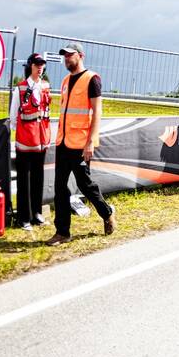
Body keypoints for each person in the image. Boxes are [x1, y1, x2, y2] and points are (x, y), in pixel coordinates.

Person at [47, 43, 115, 246]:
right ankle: (62, 232)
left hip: (81, 143)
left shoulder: (92, 79)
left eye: (70, 55)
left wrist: (90, 142)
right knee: (60, 188)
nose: (67, 58)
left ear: (80, 56)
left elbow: (97, 112)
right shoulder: (65, 80)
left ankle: (107, 213)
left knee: (85, 185)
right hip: (63, 142)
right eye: (65, 56)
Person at [13, 53, 51, 229]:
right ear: (30, 66)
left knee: (38, 177)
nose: (40, 67)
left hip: (41, 140)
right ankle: (24, 218)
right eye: (37, 64)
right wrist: (23, 132)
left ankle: (36, 213)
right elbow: (14, 116)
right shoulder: (20, 88)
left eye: (42, 64)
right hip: (25, 141)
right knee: (24, 179)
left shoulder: (45, 86)